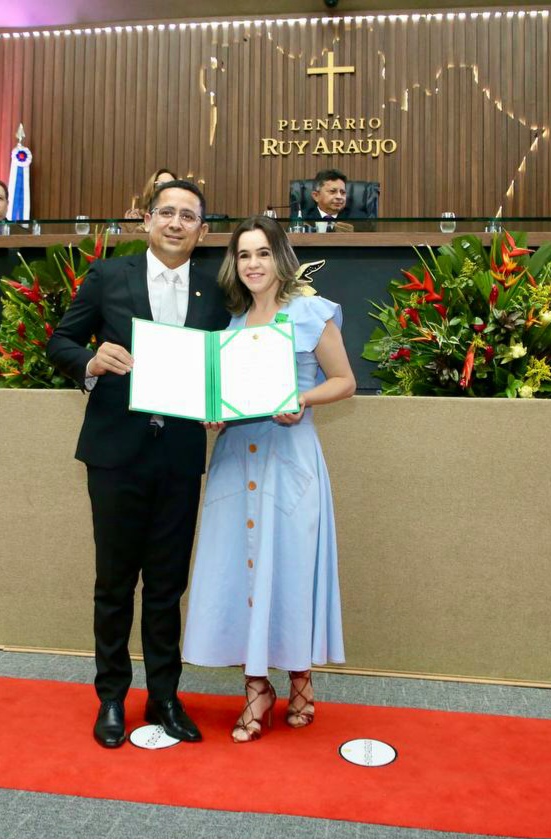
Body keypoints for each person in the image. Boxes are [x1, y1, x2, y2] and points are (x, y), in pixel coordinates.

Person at [47, 180, 229, 749]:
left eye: (189, 216)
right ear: (147, 221)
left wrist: (223, 405)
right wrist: (91, 360)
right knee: (114, 582)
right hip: (115, 453)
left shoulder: (213, 290)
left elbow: (224, 364)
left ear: (202, 230)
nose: (176, 223)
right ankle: (111, 698)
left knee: (167, 586)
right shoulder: (109, 276)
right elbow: (60, 343)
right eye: (166, 213)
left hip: (178, 456)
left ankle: (165, 697)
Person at [182, 215, 355, 743]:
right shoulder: (229, 326)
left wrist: (301, 399)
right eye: (243, 255)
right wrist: (214, 413)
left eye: (261, 253)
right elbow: (226, 398)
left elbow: (345, 382)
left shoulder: (309, 312)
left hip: (290, 460)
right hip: (238, 459)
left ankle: (299, 677)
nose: (252, 264)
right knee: (242, 573)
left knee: (290, 568)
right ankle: (256, 687)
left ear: (280, 259)